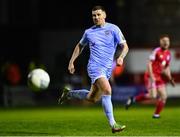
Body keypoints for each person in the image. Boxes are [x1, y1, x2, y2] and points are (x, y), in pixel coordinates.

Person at [58, 5, 129, 133]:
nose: (96, 17)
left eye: (98, 14)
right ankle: (113, 125)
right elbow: (80, 46)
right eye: (93, 15)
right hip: (95, 67)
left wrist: (121, 57)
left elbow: (125, 47)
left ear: (104, 15)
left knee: (92, 98)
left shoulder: (114, 29)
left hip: (107, 69)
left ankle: (68, 94)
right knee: (107, 89)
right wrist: (71, 62)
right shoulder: (89, 32)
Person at [125, 34, 175, 118]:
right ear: (160, 42)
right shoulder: (156, 51)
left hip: (158, 77)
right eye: (164, 41)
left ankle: (156, 114)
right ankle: (133, 99)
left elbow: (166, 67)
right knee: (153, 96)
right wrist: (152, 76)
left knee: (164, 96)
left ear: (169, 42)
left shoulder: (168, 54)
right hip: (150, 76)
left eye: (167, 41)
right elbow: (149, 63)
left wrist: (170, 79)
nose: (166, 42)